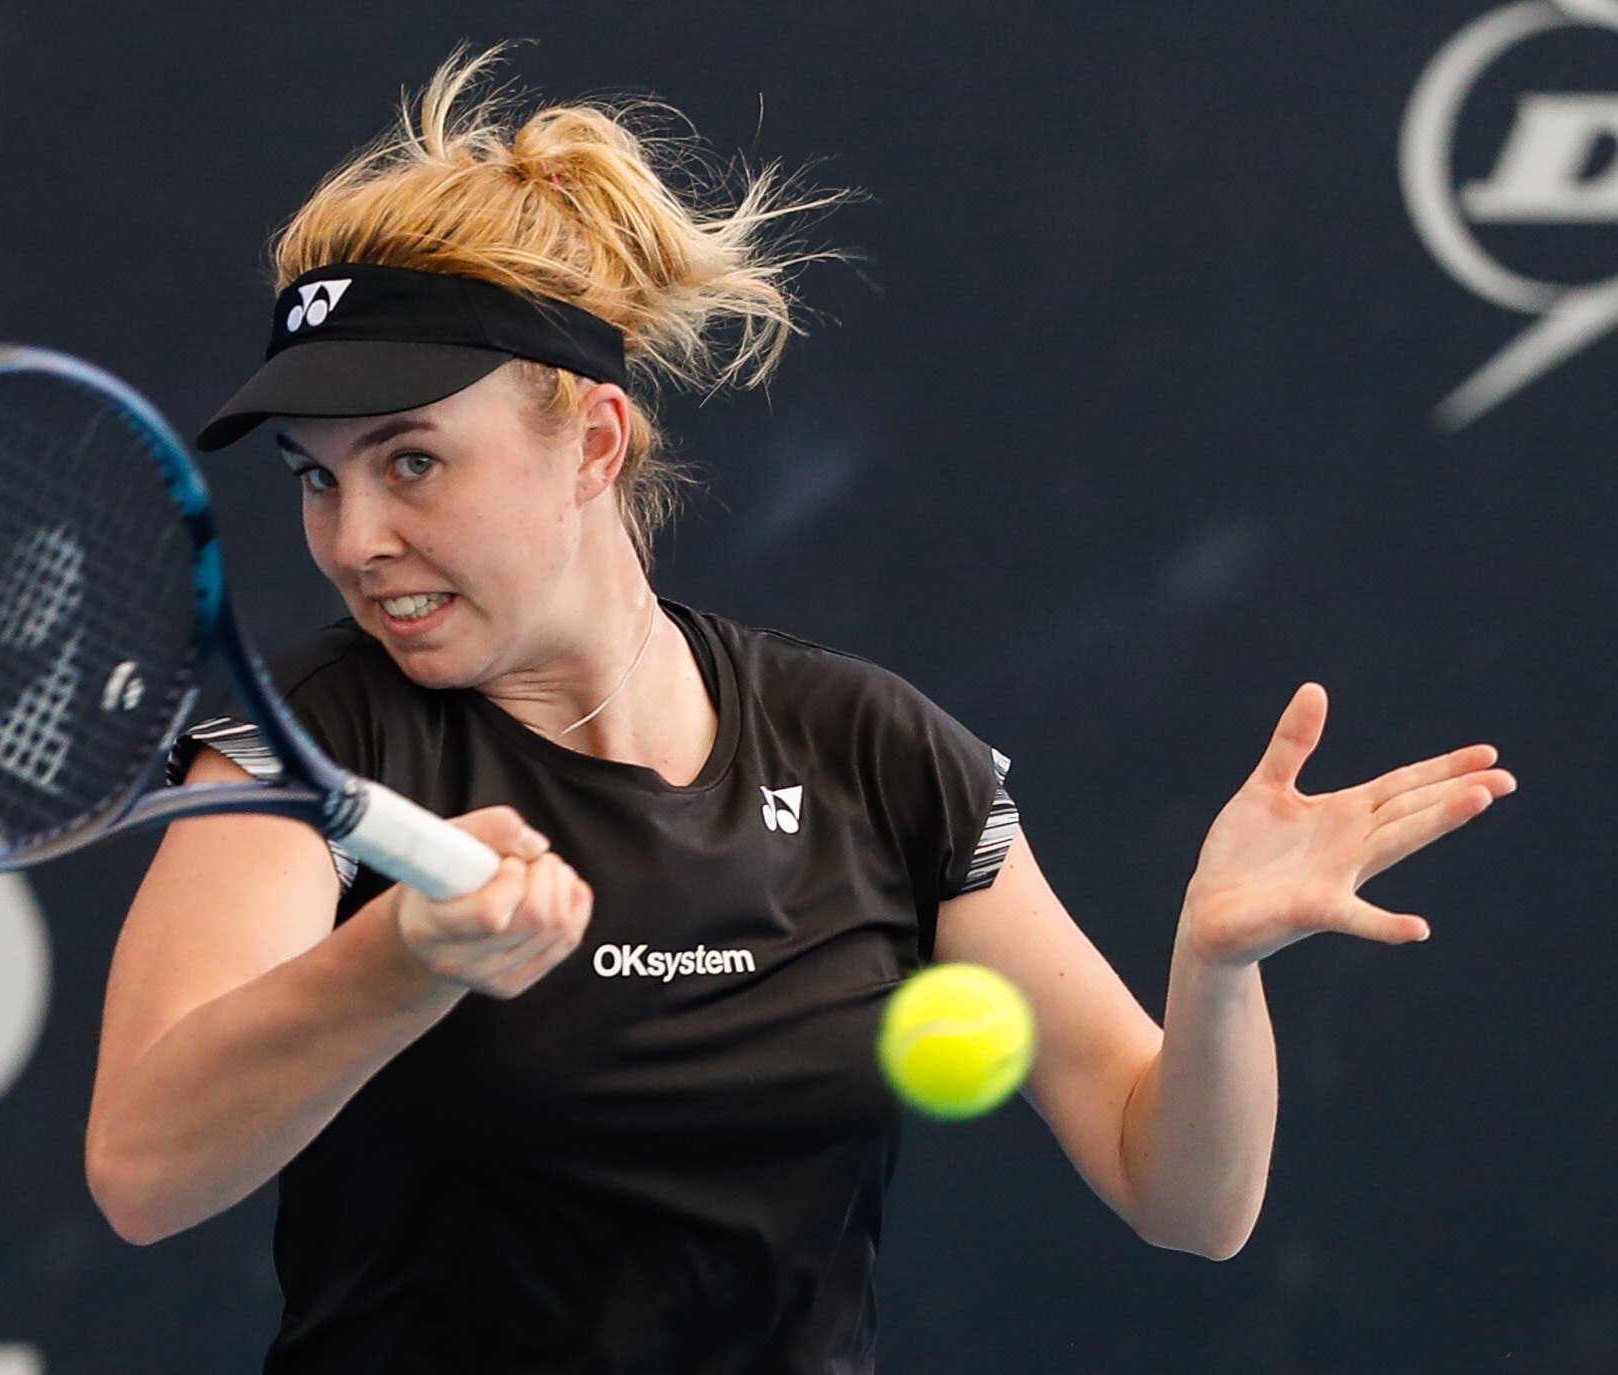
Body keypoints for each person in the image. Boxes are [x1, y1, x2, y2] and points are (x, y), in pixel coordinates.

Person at [84, 45, 1516, 1374]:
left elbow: (1184, 1198)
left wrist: (1213, 969)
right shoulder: (299, 749)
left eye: (410, 463)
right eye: (316, 477)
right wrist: (405, 959)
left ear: (592, 441)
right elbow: (144, 1171)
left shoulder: (870, 751)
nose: (354, 539)